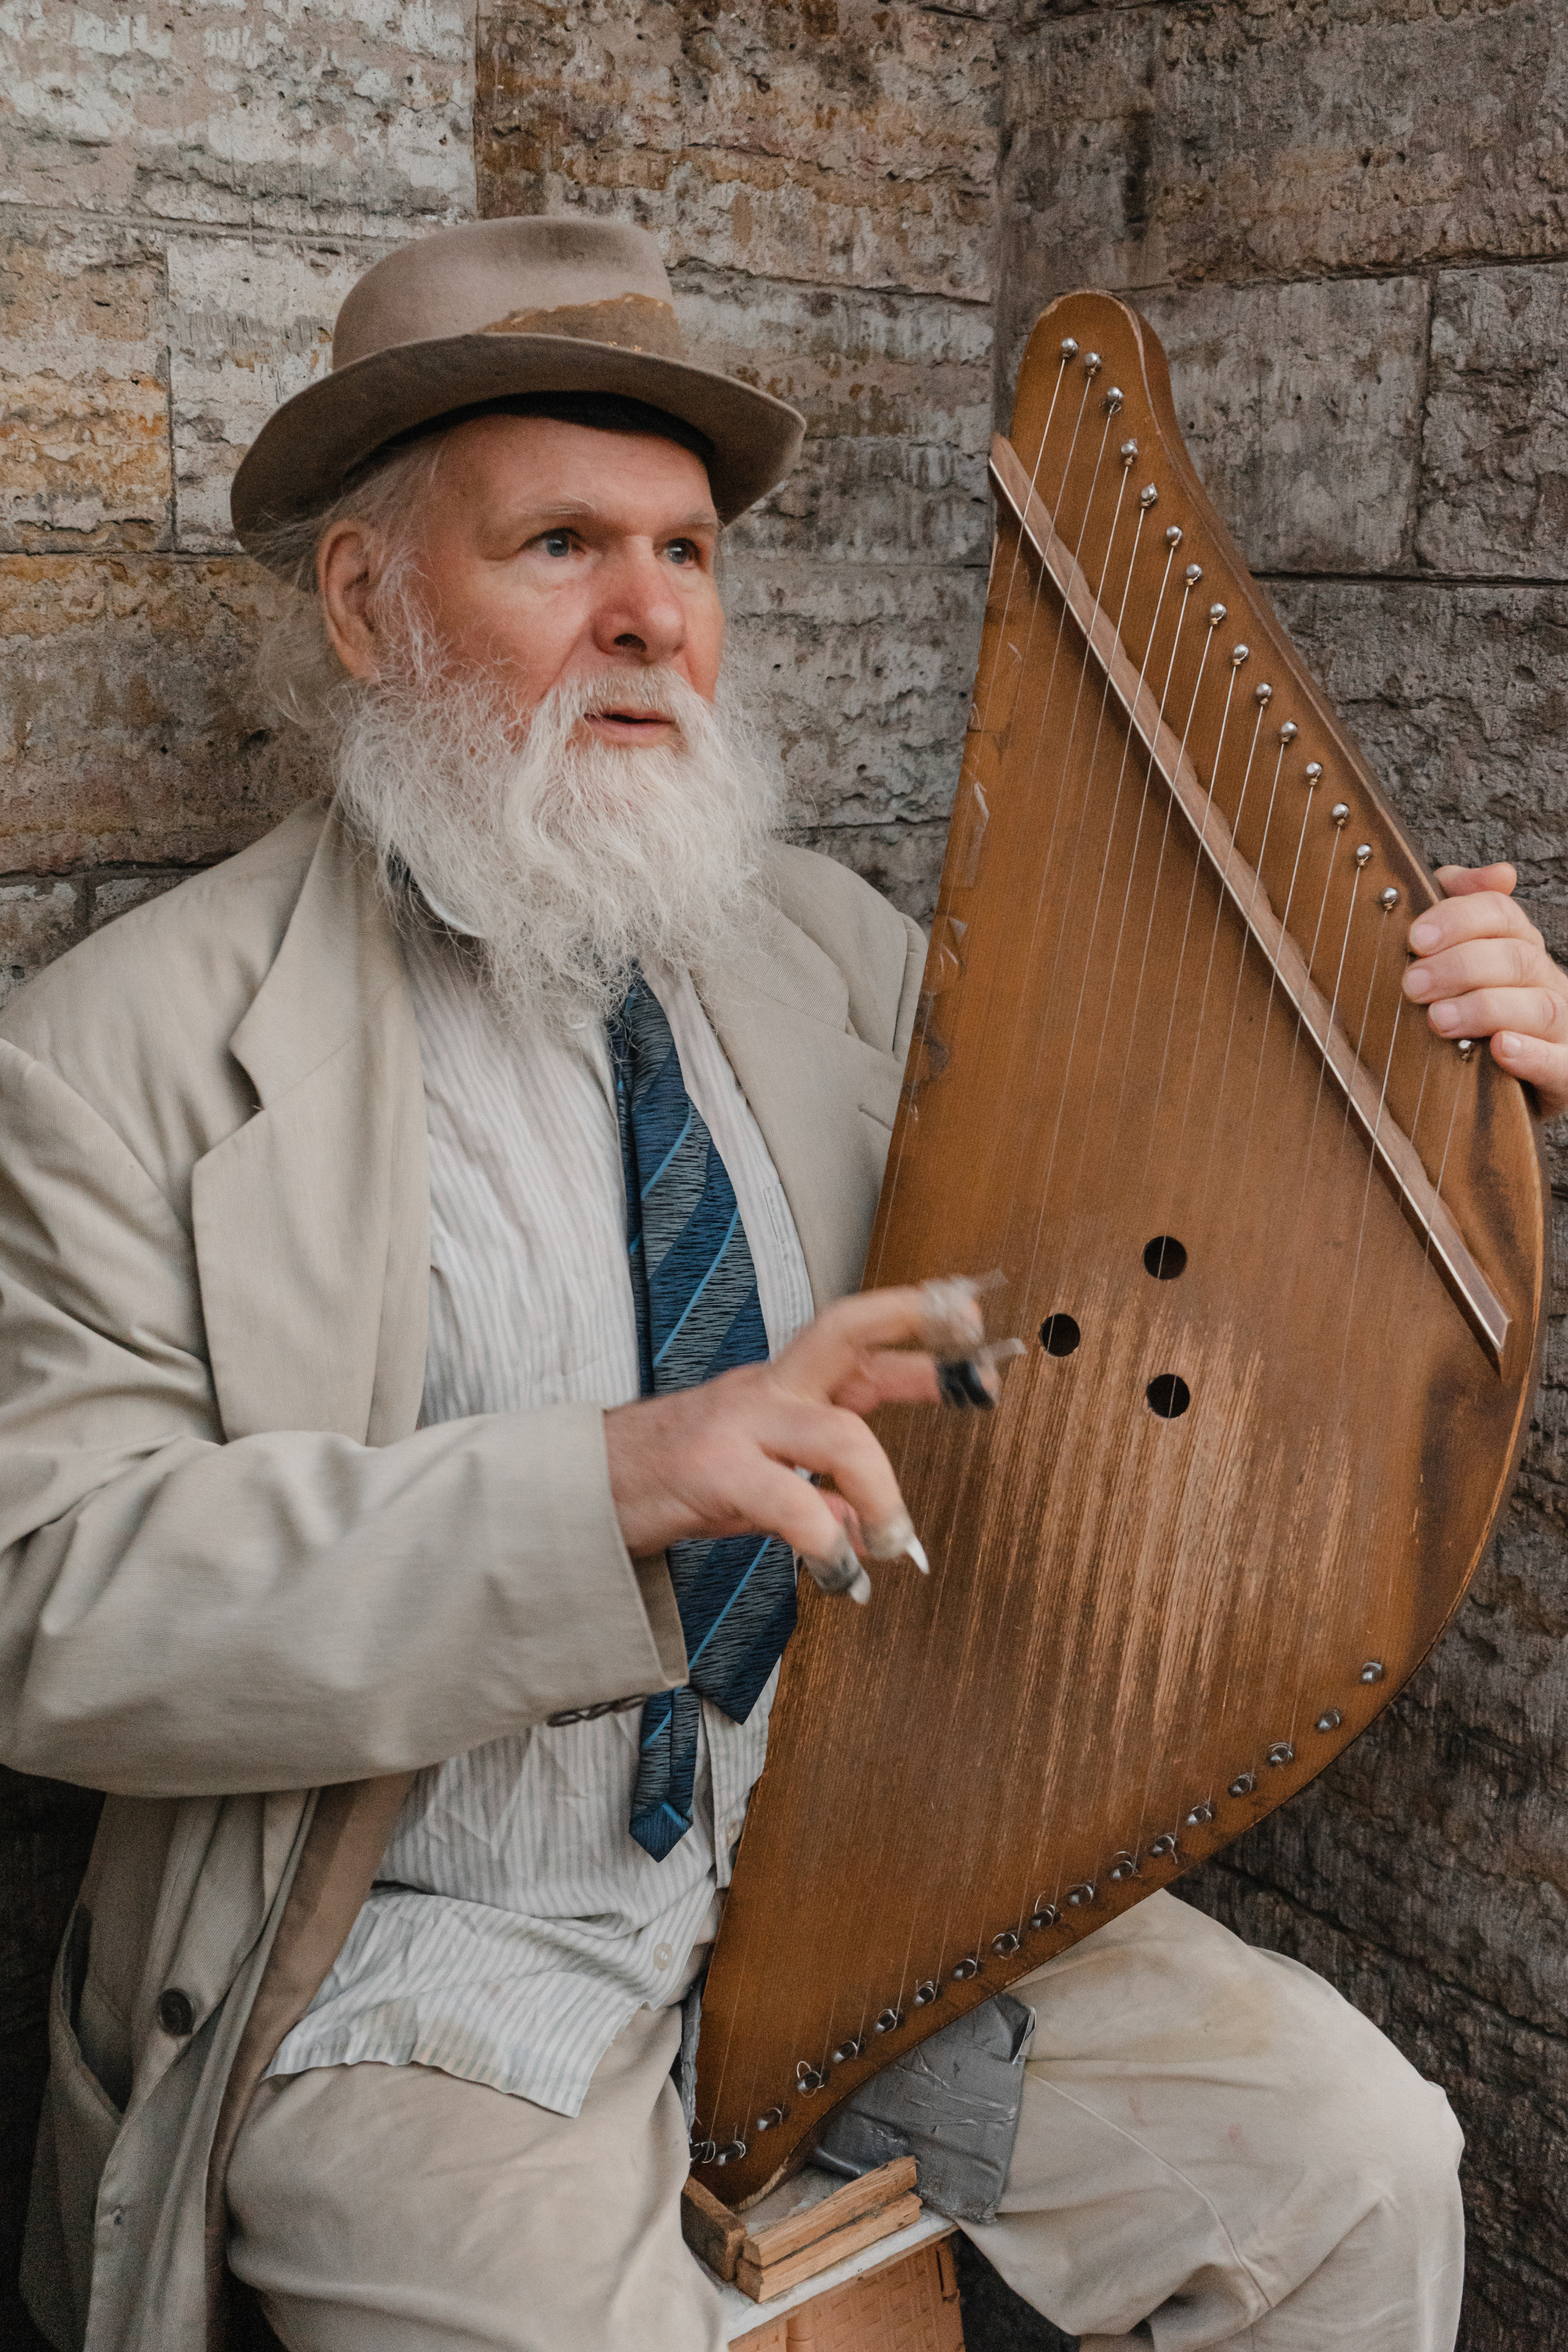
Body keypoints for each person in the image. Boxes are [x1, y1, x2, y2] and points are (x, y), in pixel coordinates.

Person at [4, 216, 1566, 2352]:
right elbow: (54, 1605)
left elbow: (1122, 1302)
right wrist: (614, 1481)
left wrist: (1440, 1075)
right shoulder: (126, 1051)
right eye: (559, 545)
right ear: (368, 604)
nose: (653, 616)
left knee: (1361, 2163)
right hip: (430, 1946)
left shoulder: (822, 958)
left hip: (864, 1874)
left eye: (690, 553)